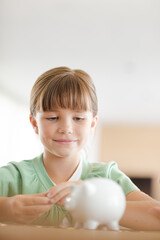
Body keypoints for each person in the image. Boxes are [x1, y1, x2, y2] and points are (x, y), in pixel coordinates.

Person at [0, 66, 160, 230]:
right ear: (35, 124)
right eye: (53, 117)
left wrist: (97, 202)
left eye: (78, 118)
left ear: (92, 124)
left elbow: (156, 216)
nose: (66, 128)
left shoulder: (107, 177)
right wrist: (5, 209)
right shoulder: (14, 176)